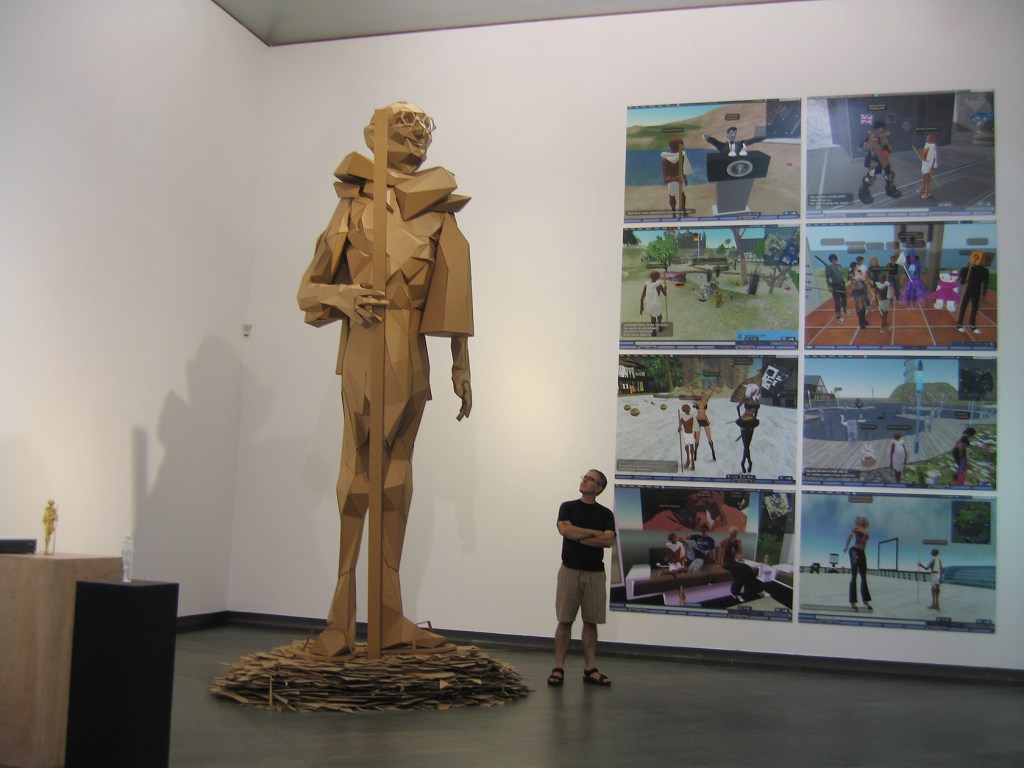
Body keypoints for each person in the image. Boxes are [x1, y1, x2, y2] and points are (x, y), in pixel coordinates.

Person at [297, 102, 474, 658]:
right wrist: (343, 296)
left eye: (423, 130)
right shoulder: (353, 207)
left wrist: (461, 362)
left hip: (411, 355)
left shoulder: (438, 212)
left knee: (397, 480)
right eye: (403, 127)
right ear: (373, 135)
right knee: (356, 478)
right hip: (365, 349)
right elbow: (307, 291)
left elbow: (453, 290)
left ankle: (390, 618)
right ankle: (340, 621)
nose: (416, 136)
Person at [551, 470, 616, 687]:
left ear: (599, 487)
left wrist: (578, 535)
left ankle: (590, 669)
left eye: (590, 479)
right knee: (565, 620)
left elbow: (607, 541)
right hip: (569, 571)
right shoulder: (567, 507)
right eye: (584, 477)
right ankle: (558, 668)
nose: (585, 481)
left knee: (591, 622)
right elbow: (565, 531)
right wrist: (594, 533)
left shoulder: (606, 514)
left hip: (595, 574)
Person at [857, 119, 901, 203]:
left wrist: (886, 150)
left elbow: (888, 147)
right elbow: (863, 147)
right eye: (879, 128)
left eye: (882, 128)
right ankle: (863, 192)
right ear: (875, 128)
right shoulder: (871, 136)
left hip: (883, 159)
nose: (881, 129)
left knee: (889, 174)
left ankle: (890, 189)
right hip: (874, 160)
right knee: (870, 177)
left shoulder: (884, 136)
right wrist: (870, 144)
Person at [719, 527, 764, 602]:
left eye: (736, 532)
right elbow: (721, 554)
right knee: (742, 569)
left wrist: (739, 545)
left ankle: (737, 593)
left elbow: (740, 554)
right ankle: (758, 589)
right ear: (730, 532)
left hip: (733, 562)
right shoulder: (724, 541)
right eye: (734, 532)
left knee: (746, 568)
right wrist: (721, 564)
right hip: (726, 563)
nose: (735, 533)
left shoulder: (737, 541)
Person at [956, 251, 990, 335]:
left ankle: (972, 324)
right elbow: (962, 282)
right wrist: (965, 278)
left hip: (977, 290)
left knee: (975, 307)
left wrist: (984, 293)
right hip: (968, 290)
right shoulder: (966, 269)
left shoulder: (985, 271)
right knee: (963, 306)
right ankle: (959, 324)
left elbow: (985, 282)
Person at [843, 516, 872, 610]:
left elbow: (864, 544)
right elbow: (849, 537)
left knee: (864, 577)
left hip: (862, 553)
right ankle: (853, 601)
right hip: (854, 551)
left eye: (861, 520)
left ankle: (866, 600)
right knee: (854, 575)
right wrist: (846, 546)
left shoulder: (866, 532)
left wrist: (862, 554)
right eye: (858, 520)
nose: (859, 521)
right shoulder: (855, 529)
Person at [660, 137, 692, 216]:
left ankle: (684, 213)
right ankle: (674, 214)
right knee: (672, 196)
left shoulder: (682, 157)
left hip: (680, 180)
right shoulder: (666, 161)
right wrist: (675, 179)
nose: (683, 148)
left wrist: (684, 178)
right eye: (681, 146)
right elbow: (665, 179)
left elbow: (682, 169)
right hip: (673, 182)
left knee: (682, 196)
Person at [735, 384, 760, 475]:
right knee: (746, 446)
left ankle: (745, 462)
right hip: (744, 422)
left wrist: (754, 419)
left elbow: (756, 411)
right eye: (753, 391)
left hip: (751, 422)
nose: (754, 392)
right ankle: (747, 462)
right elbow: (737, 407)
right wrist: (740, 418)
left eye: (755, 391)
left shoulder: (756, 400)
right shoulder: (746, 399)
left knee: (747, 446)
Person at [640, 271, 667, 336]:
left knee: (652, 317)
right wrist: (665, 289)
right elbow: (665, 294)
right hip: (657, 304)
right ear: (657, 277)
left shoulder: (647, 285)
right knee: (659, 315)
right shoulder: (659, 285)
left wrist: (641, 305)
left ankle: (654, 331)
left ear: (650, 277)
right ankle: (660, 326)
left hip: (650, 305)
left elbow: (642, 297)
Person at [693, 390, 717, 461]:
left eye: (704, 395)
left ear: (705, 396)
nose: (703, 395)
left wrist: (714, 388)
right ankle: (695, 453)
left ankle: (713, 452)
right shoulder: (697, 401)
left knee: (709, 437)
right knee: (697, 439)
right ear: (700, 395)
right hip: (698, 420)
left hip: (705, 420)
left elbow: (711, 394)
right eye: (702, 394)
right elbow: (692, 394)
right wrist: (688, 388)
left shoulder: (706, 401)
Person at [825, 253, 847, 324]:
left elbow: (840, 276)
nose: (834, 260)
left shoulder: (839, 266)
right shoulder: (828, 267)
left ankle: (845, 311)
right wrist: (829, 286)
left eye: (834, 259)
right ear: (830, 260)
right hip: (834, 286)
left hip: (841, 285)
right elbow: (827, 278)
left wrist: (843, 283)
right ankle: (838, 317)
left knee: (844, 298)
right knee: (837, 302)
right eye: (832, 260)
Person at [918, 134, 938, 198]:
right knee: (924, 177)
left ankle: (927, 192)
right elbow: (924, 154)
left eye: (928, 138)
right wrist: (922, 157)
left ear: (931, 140)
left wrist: (932, 167)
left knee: (927, 179)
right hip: (924, 164)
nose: (926, 139)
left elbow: (934, 158)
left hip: (928, 165)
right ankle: (923, 188)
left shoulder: (932, 147)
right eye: (927, 138)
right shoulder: (926, 145)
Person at [678, 403, 696, 471]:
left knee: (691, 447)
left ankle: (692, 462)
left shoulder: (692, 416)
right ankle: (688, 460)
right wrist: (679, 428)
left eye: (688, 408)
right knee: (686, 447)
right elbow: (680, 425)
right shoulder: (682, 417)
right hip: (686, 434)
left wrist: (695, 433)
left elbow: (695, 426)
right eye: (687, 409)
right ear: (684, 410)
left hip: (691, 433)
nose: (689, 410)